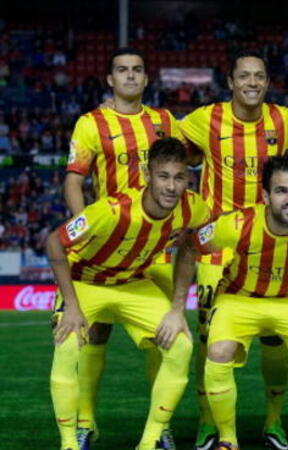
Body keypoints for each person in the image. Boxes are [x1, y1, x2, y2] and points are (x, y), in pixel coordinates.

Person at [47, 138, 210, 450]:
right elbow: (55, 242)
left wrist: (177, 309)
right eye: (163, 176)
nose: (172, 186)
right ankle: (69, 443)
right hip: (85, 281)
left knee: (180, 345)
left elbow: (192, 246)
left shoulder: (194, 207)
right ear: (147, 175)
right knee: (67, 345)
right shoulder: (111, 210)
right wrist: (72, 306)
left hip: (133, 282)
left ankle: (150, 440)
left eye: (179, 177)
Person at [179, 49, 288, 450]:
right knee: (209, 339)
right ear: (231, 82)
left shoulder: (285, 121)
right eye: (244, 76)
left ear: (267, 81)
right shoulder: (205, 119)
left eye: (259, 76)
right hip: (217, 251)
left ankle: (273, 422)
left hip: (271, 250)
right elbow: (171, 144)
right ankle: (208, 423)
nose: (252, 83)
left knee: (274, 339)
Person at [64, 47, 185, 449]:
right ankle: (85, 423)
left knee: (166, 335)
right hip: (108, 247)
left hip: (158, 249)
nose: (130, 76)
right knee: (95, 332)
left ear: (146, 79)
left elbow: (185, 165)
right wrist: (84, 230)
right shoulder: (91, 123)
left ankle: (160, 427)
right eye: (122, 70)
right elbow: (74, 180)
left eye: (137, 70)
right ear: (110, 79)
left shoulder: (165, 121)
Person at [180, 154, 288, 450]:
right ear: (266, 196)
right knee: (218, 351)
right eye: (281, 191)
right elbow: (190, 248)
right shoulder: (237, 224)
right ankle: (228, 440)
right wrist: (176, 308)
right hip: (239, 299)